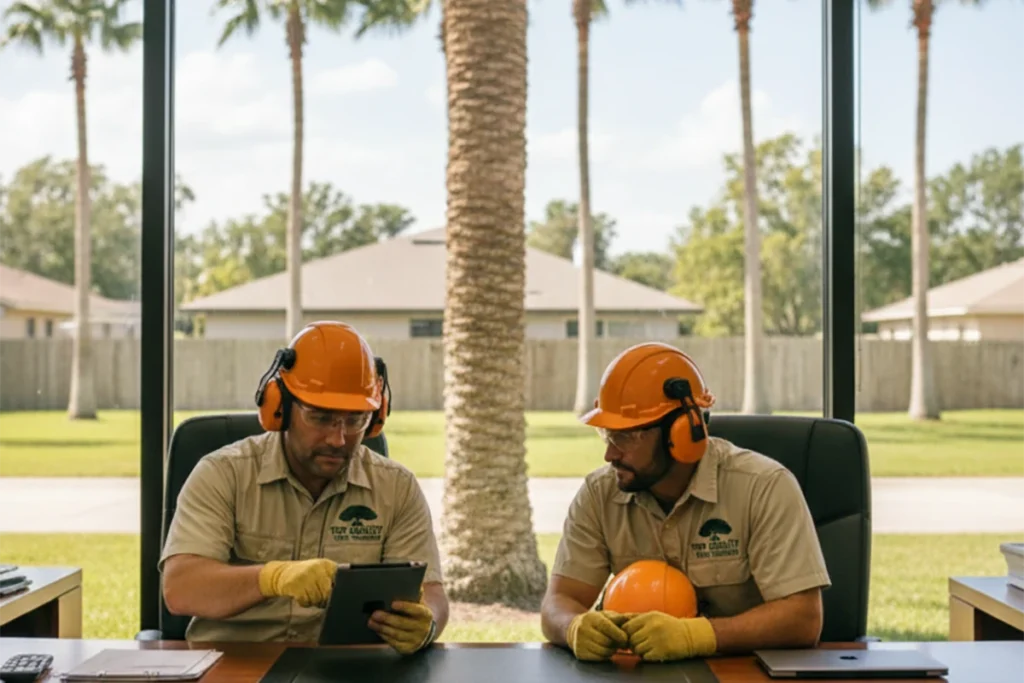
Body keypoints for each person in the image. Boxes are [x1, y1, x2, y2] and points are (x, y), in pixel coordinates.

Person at [160, 321, 448, 650]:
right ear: (280, 408)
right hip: (235, 664)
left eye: (355, 420)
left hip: (348, 671)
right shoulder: (222, 474)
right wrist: (272, 578)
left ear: (377, 416)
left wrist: (427, 623)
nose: (338, 438)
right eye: (320, 417)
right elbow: (181, 588)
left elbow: (432, 594)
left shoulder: (397, 489)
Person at [541, 342, 831, 662]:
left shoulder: (764, 487)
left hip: (738, 674)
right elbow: (560, 601)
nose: (610, 454)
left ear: (682, 433)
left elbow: (803, 619)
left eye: (625, 436)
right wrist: (572, 626)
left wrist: (698, 636)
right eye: (608, 436)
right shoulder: (599, 494)